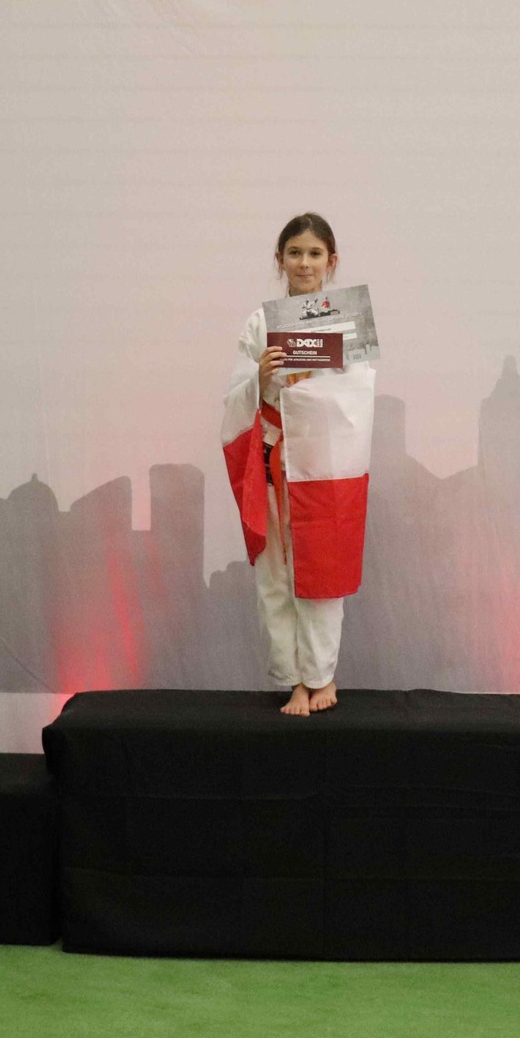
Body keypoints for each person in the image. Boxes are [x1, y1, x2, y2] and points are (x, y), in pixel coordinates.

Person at [220, 213, 375, 716]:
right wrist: (261, 378)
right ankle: (293, 680)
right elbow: (235, 395)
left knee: (321, 570)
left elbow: (358, 395)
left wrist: (314, 387)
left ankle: (321, 676)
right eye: (294, 253)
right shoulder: (259, 322)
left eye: (314, 253)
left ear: (331, 261)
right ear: (279, 259)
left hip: (324, 465)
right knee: (275, 576)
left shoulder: (345, 320)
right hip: (271, 460)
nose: (304, 263)